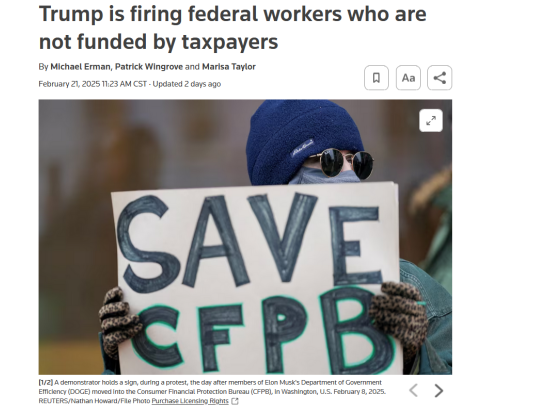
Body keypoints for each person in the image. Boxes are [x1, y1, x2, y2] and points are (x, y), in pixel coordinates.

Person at [99, 100, 452, 375]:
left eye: (358, 162)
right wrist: (124, 362)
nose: (348, 175)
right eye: (329, 161)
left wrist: (414, 357)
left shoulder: (416, 294)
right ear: (279, 187)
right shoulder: (204, 298)